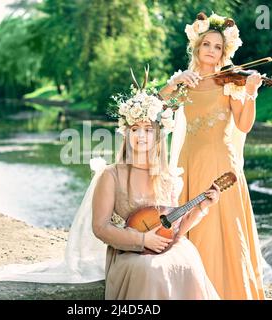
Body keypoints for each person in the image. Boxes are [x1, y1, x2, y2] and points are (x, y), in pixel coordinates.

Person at [160, 12, 265, 299]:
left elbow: (243, 124)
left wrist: (252, 93)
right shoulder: (187, 81)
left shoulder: (230, 82)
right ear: (197, 47)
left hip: (221, 165)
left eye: (217, 47)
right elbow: (157, 106)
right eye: (207, 44)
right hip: (189, 162)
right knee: (188, 226)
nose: (211, 50)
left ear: (223, 52)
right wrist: (174, 82)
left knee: (220, 228)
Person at [92, 73, 221, 300]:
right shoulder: (111, 175)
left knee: (188, 257)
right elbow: (100, 228)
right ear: (127, 133)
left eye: (148, 130)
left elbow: (176, 231)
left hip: (163, 249)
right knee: (152, 270)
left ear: (158, 135)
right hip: (128, 253)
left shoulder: (166, 177)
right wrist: (142, 240)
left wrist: (203, 207)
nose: (141, 136)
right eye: (135, 129)